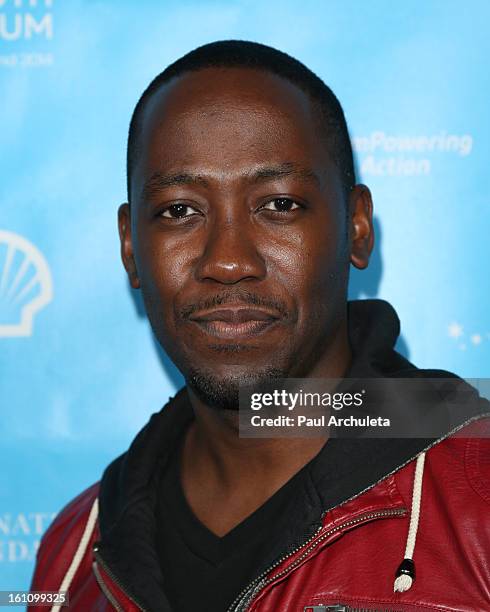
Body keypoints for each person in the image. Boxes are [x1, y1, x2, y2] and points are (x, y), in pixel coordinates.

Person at [29, 40, 490, 612]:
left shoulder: (478, 505)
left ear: (358, 226)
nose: (227, 261)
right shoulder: (72, 556)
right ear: (130, 247)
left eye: (278, 205)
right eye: (180, 210)